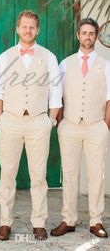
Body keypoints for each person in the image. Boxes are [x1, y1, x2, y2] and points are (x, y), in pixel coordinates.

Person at [0, 10, 62, 241]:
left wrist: (50, 122)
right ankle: (5, 222)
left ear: (38, 30)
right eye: (24, 26)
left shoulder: (48, 57)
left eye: (32, 27)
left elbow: (55, 93)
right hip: (10, 120)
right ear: (17, 28)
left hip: (38, 122)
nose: (28, 30)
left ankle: (39, 222)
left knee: (38, 176)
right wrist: (0, 118)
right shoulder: (5, 57)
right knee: (7, 174)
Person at [51, 18, 110, 238]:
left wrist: (105, 126)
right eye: (84, 33)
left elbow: (109, 99)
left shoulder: (106, 65)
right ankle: (69, 219)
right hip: (70, 126)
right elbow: (57, 96)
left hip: (96, 126)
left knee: (96, 175)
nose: (87, 37)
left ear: (96, 36)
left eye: (91, 33)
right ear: (78, 35)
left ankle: (96, 221)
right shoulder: (65, 64)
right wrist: (61, 124)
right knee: (69, 174)